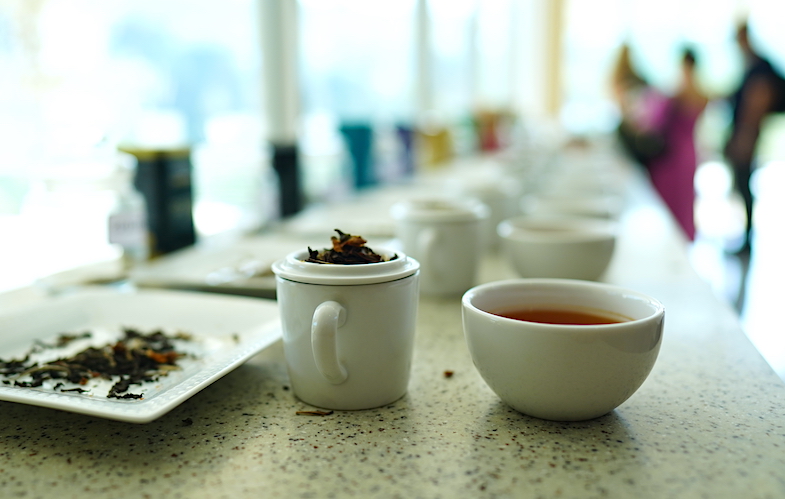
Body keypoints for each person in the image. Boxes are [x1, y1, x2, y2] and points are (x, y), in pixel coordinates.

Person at [724, 22, 785, 253]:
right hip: (745, 132)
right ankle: (745, 237)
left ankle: (747, 239)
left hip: (746, 134)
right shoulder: (753, 65)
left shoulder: (758, 67)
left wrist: (745, 136)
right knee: (742, 184)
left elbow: (757, 103)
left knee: (743, 183)